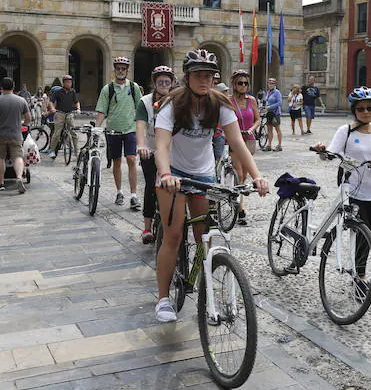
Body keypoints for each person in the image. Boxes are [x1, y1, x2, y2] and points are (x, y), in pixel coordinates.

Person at [153, 49, 269, 322]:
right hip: (174, 173)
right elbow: (162, 144)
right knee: (173, 235)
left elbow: (237, 143)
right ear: (188, 76)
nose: (204, 80)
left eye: (209, 75)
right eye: (198, 75)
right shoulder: (172, 104)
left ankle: (207, 294)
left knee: (204, 237)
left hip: (203, 174)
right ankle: (162, 299)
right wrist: (166, 173)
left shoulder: (220, 104)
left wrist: (256, 176)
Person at [311, 87, 371, 291]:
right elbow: (330, 154)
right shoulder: (346, 131)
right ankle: (360, 277)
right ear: (354, 110)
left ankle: (359, 273)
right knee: (359, 232)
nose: (365, 112)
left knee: (367, 236)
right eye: (360, 109)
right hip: (351, 190)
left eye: (369, 108)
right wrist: (322, 151)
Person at [95, 56, 143, 210]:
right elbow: (102, 110)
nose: (121, 71)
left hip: (130, 129)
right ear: (114, 70)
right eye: (118, 68)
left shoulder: (134, 87)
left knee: (131, 159)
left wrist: (144, 128)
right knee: (116, 161)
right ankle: (119, 192)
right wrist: (97, 128)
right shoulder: (107, 89)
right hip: (113, 131)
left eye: (123, 68)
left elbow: (141, 109)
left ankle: (134, 196)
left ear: (127, 70)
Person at [135, 66, 174, 244]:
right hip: (150, 150)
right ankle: (147, 227)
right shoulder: (145, 102)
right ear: (155, 83)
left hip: (171, 151)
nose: (164, 85)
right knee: (151, 186)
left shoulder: (176, 101)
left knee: (175, 187)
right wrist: (141, 145)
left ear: (172, 83)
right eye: (160, 82)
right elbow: (141, 125)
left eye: (167, 82)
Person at [0, 77, 31, 193]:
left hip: (0, 134)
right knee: (17, 156)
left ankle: (1, 182)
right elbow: (28, 119)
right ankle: (19, 177)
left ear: (1, 87)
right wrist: (21, 123)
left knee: (0, 157)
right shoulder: (21, 101)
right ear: (13, 87)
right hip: (16, 134)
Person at [229, 70, 259, 226]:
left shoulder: (251, 100)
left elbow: (258, 119)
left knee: (244, 176)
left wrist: (252, 129)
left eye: (246, 83)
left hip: (249, 139)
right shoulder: (229, 100)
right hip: (235, 140)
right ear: (234, 84)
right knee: (239, 174)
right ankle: (240, 209)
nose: (243, 86)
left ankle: (237, 201)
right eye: (240, 83)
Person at [47, 75, 79, 159]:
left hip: (69, 114)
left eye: (70, 82)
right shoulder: (58, 92)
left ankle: (77, 152)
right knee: (57, 133)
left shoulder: (72, 92)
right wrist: (53, 108)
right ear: (64, 83)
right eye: (68, 82)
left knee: (74, 133)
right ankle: (52, 150)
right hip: (60, 114)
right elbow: (51, 101)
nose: (69, 84)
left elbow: (76, 102)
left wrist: (78, 108)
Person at [262, 78, 283, 151]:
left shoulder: (277, 92)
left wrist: (270, 107)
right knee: (269, 129)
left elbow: (279, 103)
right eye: (269, 83)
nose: (270, 84)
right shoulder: (267, 92)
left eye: (272, 83)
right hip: (269, 113)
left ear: (275, 84)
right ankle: (269, 145)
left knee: (277, 129)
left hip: (275, 113)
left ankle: (279, 145)